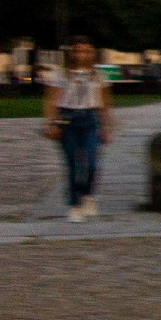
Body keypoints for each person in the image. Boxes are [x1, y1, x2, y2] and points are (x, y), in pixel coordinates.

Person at [43, 37, 113, 221]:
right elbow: (51, 100)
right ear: (71, 53)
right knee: (72, 164)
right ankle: (75, 205)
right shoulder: (61, 75)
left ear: (92, 53)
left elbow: (105, 102)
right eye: (78, 50)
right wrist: (51, 123)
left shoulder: (98, 76)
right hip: (67, 118)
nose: (82, 55)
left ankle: (87, 194)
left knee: (91, 163)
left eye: (86, 51)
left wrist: (107, 125)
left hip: (90, 118)